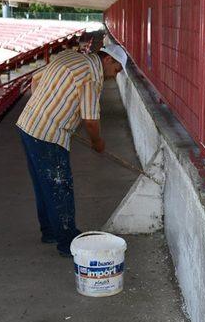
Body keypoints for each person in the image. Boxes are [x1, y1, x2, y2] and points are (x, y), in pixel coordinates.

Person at [16, 32, 127, 256]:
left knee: (42, 183)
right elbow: (90, 120)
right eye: (116, 70)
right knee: (60, 186)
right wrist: (98, 143)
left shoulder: (71, 57)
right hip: (47, 134)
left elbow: (36, 80)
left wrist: (46, 107)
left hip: (28, 124)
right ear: (108, 59)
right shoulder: (92, 76)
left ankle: (49, 231)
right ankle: (67, 242)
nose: (114, 76)